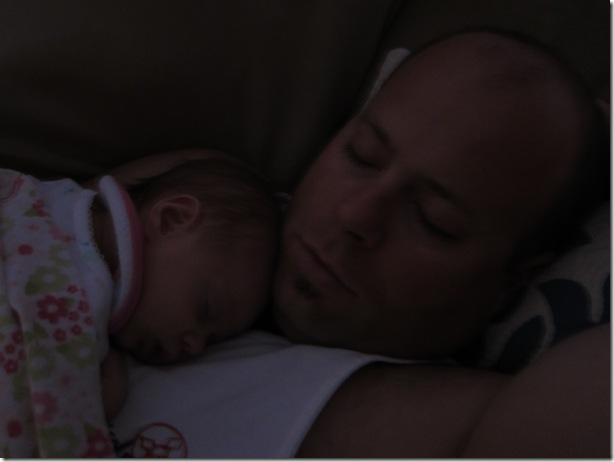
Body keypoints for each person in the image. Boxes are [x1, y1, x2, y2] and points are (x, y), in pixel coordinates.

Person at [109, 28, 609, 457]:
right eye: (361, 155)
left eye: (433, 220)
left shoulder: (466, 422)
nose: (354, 215)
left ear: (511, 279)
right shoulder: (204, 199)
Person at [0, 150, 280, 457]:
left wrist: (95, 394)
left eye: (213, 341)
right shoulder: (43, 199)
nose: (195, 345)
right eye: (205, 311)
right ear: (172, 219)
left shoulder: (95, 343)